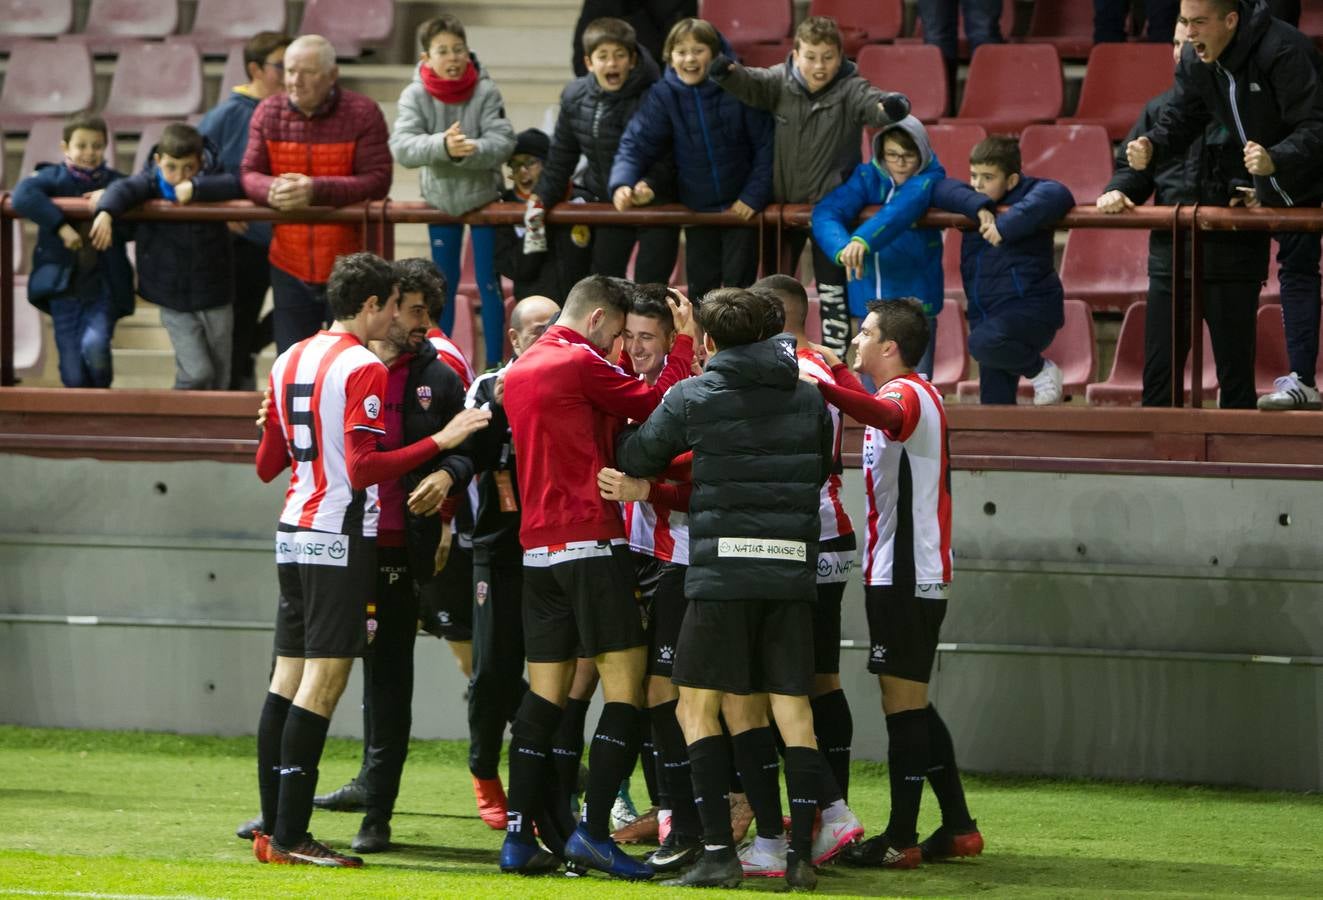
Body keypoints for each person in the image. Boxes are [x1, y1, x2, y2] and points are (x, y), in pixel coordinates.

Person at [247, 252, 488, 868]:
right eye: (393, 304)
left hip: (292, 528)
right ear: (373, 305)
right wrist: (445, 439)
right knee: (323, 683)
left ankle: (274, 822)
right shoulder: (360, 365)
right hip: (340, 535)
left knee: (284, 679)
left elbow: (266, 464)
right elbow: (362, 469)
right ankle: (291, 834)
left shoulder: (290, 356)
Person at [613, 288, 833, 890]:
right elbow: (818, 468)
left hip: (721, 573)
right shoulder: (808, 395)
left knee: (694, 705)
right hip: (790, 572)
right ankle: (800, 860)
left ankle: (717, 853)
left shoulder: (694, 393)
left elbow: (637, 455)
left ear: (707, 341)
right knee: (793, 711)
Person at [498, 275, 698, 878]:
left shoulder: (523, 366)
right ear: (595, 322)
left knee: (545, 694)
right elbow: (654, 406)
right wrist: (683, 346)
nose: (620, 348)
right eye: (616, 333)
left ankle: (517, 837)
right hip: (590, 538)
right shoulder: (578, 361)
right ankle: (591, 831)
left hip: (538, 551)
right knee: (627, 688)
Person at [809, 299, 982, 871]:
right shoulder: (905, 391)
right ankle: (957, 826)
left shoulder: (905, 394)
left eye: (865, 334)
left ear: (890, 348)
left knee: (901, 705)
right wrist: (825, 371)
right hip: (905, 571)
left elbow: (889, 420)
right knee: (913, 702)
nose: (855, 342)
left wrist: (824, 387)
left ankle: (900, 838)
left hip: (907, 573)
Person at [1125, 0, 1323, 411]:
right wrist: (1152, 146)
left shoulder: (1284, 51)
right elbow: (1180, 118)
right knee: (1298, 268)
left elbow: (1316, 124)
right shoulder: (1196, 61)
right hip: (1268, 174)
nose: (1189, 33)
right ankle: (1303, 381)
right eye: (1183, 21)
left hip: (1306, 170)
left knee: (1300, 268)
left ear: (1231, 21)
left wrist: (1277, 159)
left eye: (1199, 22)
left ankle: (1302, 379)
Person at [709, 15, 911, 356]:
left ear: (840, 56)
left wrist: (890, 107)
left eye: (828, 57)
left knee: (833, 293)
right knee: (772, 291)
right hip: (780, 210)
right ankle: (767, 353)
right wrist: (723, 70)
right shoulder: (779, 80)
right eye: (812, 56)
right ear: (796, 54)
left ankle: (834, 359)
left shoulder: (851, 87)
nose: (820, 65)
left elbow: (875, 105)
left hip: (829, 214)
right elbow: (748, 82)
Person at [1099, 20, 1270, 408]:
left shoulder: (1253, 108)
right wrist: (1117, 190)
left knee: (1237, 382)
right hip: (1171, 264)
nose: (1183, 51)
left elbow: (1278, 172)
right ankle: (1159, 466)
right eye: (1177, 43)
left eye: (1190, 43)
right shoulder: (1158, 110)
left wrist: (1260, 194)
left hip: (1235, 263)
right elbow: (1132, 172)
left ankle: (1237, 467)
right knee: (1159, 382)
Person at [592, 286, 702, 870]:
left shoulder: (691, 388)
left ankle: (687, 824)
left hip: (679, 558)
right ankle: (666, 818)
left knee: (670, 696)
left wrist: (647, 488)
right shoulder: (618, 384)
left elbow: (702, 482)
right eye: (628, 336)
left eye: (648, 338)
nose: (634, 348)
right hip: (630, 554)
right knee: (632, 692)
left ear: (672, 338)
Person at [462, 294, 560, 830]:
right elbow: (466, 454)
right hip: (499, 548)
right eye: (537, 330)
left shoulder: (576, 377)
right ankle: (483, 768)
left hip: (561, 545)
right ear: (516, 340)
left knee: (564, 676)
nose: (547, 337)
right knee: (495, 670)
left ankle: (555, 786)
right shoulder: (486, 386)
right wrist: (503, 405)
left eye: (555, 326)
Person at [241, 34, 393, 353]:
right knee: (294, 362)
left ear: (332, 75)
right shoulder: (267, 112)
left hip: (350, 265)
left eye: (307, 72)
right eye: (289, 70)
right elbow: (248, 174)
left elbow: (378, 180)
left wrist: (315, 190)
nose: (295, 81)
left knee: (351, 361)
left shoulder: (363, 112)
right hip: (289, 263)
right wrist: (271, 190)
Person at [609, 17, 773, 300]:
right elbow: (636, 142)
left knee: (740, 294)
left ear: (714, 53)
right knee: (702, 294)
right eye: (681, 51)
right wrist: (622, 182)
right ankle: (703, 346)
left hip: (743, 210)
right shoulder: (663, 95)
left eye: (698, 50)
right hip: (697, 211)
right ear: (670, 57)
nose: (689, 59)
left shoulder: (740, 86)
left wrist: (753, 195)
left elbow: (767, 145)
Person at [390, 14, 515, 369]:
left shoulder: (486, 90)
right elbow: (402, 146)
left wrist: (469, 149)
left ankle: (494, 365)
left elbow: (503, 140)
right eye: (442, 50)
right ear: (426, 58)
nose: (453, 57)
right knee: (440, 287)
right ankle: (440, 362)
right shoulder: (414, 94)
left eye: (458, 49)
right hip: (440, 203)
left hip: (484, 199)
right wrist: (442, 146)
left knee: (490, 286)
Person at [529, 18, 680, 287]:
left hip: (658, 205)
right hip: (608, 205)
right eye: (603, 56)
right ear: (589, 62)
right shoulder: (575, 96)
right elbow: (562, 156)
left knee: (651, 292)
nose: (612, 64)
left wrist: (650, 186)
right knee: (605, 287)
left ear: (632, 60)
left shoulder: (657, 95)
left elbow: (671, 154)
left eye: (620, 56)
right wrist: (540, 197)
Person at [91, 123, 242, 390]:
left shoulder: (216, 179)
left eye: (189, 168)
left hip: (216, 295)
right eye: (171, 167)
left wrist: (197, 188)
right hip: (172, 297)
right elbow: (124, 189)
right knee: (196, 372)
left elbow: (235, 184)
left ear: (201, 163)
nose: (179, 176)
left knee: (220, 375)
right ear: (158, 161)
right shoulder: (151, 181)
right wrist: (105, 210)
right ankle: (181, 419)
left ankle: (212, 430)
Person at [933, 135, 1075, 405]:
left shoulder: (1031, 191)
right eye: (974, 175)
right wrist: (978, 206)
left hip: (1032, 311)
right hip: (987, 316)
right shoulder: (974, 200)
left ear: (1011, 180)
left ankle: (1041, 371)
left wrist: (1004, 226)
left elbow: (1059, 193)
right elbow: (940, 189)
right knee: (994, 406)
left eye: (988, 177)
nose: (977, 184)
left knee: (980, 343)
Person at [812, 116, 945, 378]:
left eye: (909, 154)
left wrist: (861, 241)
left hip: (914, 307)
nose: (900, 162)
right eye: (892, 154)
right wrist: (842, 249)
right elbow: (826, 212)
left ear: (923, 151)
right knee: (873, 393)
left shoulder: (930, 178)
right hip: (870, 304)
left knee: (914, 386)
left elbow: (899, 211)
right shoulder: (866, 175)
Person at [197, 30, 291, 390]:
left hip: (291, 236)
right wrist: (220, 207)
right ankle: (235, 392)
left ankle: (251, 350)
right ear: (255, 68)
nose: (289, 74)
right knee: (239, 320)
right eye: (281, 66)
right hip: (245, 242)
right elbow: (192, 168)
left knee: (312, 309)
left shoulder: (292, 112)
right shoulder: (226, 116)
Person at [11, 114, 133, 388]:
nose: (90, 152)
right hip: (64, 290)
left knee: (95, 346)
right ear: (65, 147)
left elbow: (135, 193)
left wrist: (110, 200)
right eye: (82, 145)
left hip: (104, 287)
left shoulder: (116, 183)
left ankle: (102, 402)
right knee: (72, 370)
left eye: (97, 146)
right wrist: (60, 226)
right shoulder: (51, 177)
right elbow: (22, 195)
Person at [493, 128, 591, 304]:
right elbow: (519, 270)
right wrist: (536, 225)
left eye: (529, 162)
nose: (522, 171)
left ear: (549, 165)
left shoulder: (582, 200)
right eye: (514, 165)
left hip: (582, 307)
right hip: (535, 310)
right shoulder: (505, 210)